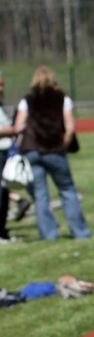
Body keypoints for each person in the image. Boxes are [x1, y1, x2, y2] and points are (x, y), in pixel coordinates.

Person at [13, 66, 91, 240]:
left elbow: (18, 127)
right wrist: (63, 144)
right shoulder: (63, 98)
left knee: (40, 194)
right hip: (54, 150)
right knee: (67, 190)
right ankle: (80, 232)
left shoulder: (27, 100)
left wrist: (20, 145)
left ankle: (48, 235)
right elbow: (70, 127)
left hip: (32, 150)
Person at [0, 70, 20, 243]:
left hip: (5, 152)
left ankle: (3, 231)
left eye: (3, 85)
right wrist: (13, 129)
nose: (2, 89)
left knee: (4, 193)